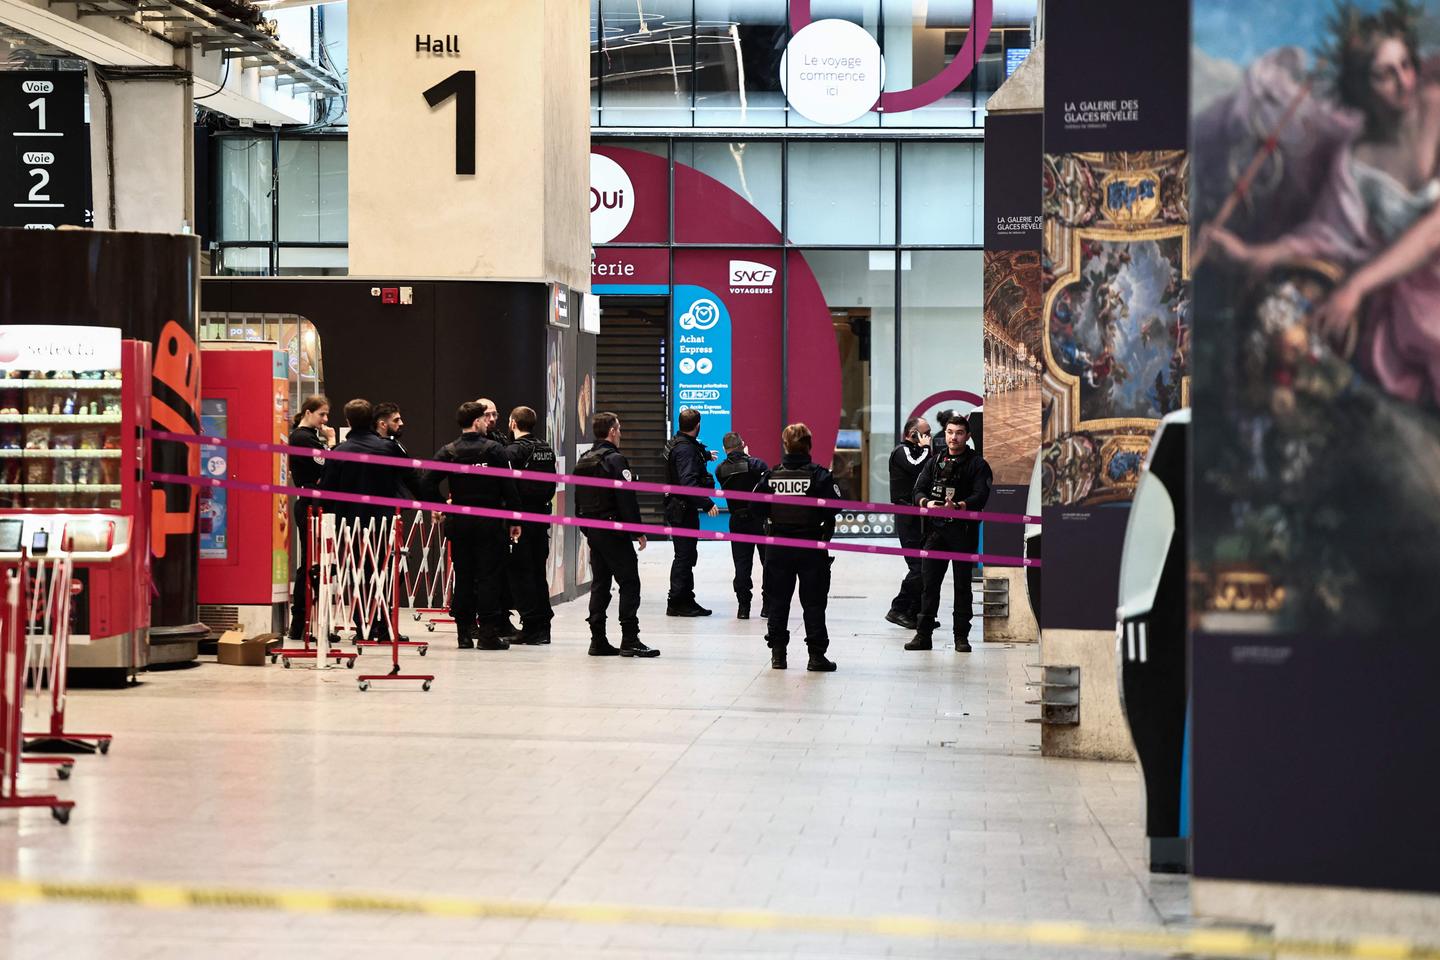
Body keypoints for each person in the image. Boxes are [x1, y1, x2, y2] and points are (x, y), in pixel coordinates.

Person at [418, 401, 522, 650]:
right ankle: (487, 634)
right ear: (476, 422)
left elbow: (425, 484)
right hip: (489, 522)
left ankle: (463, 634)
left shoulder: (449, 451)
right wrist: (515, 519)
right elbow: (510, 488)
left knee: (463, 577)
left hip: (460, 523)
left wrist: (444, 505)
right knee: (488, 577)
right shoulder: (495, 450)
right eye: (485, 419)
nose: (488, 422)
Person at [319, 399, 413, 641]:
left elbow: (328, 491)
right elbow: (407, 478)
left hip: (350, 525)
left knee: (357, 572)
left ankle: (363, 624)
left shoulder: (339, 452)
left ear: (348, 421)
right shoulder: (388, 448)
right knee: (386, 572)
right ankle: (385, 626)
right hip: (383, 523)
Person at [753, 423, 841, 672]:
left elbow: (755, 506)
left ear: (785, 445)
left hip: (778, 546)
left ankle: (778, 656)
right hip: (811, 545)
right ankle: (816, 657)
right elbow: (836, 505)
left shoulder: (771, 475)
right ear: (809, 445)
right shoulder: (819, 475)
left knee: (778, 601)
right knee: (813, 603)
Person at [574, 412, 659, 658]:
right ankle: (630, 639)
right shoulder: (615, 461)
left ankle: (597, 640)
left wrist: (587, 529)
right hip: (613, 530)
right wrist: (638, 531)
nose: (620, 434)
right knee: (629, 582)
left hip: (594, 531)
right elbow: (626, 498)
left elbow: (578, 500)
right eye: (619, 429)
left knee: (600, 584)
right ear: (612, 430)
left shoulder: (584, 460)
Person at [907, 415, 992, 653]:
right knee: (929, 585)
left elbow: (981, 496)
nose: (954, 437)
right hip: (935, 532)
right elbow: (918, 490)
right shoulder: (935, 462)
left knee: (963, 586)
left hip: (962, 533)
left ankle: (961, 637)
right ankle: (923, 636)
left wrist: (961, 506)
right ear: (944, 434)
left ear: (968, 436)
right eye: (950, 432)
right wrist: (926, 503)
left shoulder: (978, 464)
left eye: (959, 433)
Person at [504, 405, 557, 645]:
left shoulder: (512, 452)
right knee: (538, 572)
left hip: (521, 518)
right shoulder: (546, 448)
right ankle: (543, 626)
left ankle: (532, 625)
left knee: (521, 573)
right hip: (541, 516)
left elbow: (508, 487)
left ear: (513, 423)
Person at [662, 408, 719, 617]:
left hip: (678, 507)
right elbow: (687, 483)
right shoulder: (685, 450)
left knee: (687, 555)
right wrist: (707, 503)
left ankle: (686, 598)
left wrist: (705, 455)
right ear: (698, 425)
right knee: (684, 556)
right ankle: (677, 601)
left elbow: (687, 452)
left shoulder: (678, 442)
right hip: (683, 509)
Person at [286, 395, 333, 642]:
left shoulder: (311, 437)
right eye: (321, 414)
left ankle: (309, 623)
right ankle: (301, 623)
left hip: (313, 502)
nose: (325, 420)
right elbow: (326, 465)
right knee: (309, 564)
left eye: (326, 415)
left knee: (314, 563)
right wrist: (333, 442)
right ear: (307, 412)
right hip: (309, 504)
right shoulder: (302, 437)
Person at [714, 432, 770, 620]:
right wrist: (747, 457)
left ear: (724, 449)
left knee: (742, 564)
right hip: (759, 520)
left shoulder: (720, 469)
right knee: (767, 562)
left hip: (737, 520)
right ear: (743, 444)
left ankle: (743, 607)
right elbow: (766, 485)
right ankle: (767, 606)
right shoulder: (757, 465)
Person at [884, 417, 932, 631]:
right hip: (907, 515)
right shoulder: (901, 452)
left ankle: (916, 612)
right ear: (913, 434)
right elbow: (917, 468)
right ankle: (898, 608)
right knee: (917, 566)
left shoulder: (918, 452)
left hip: (920, 515)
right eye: (926, 432)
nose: (929, 437)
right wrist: (925, 449)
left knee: (926, 565)